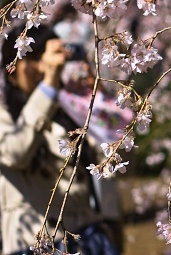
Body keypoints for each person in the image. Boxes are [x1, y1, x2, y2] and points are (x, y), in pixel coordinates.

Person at [0, 24, 120, 255]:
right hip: (33, 240)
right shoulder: (4, 114)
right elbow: (15, 153)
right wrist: (48, 87)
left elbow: (117, 161)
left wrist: (97, 99)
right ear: (11, 69)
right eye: (32, 57)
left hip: (88, 235)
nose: (43, 67)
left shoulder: (68, 109)